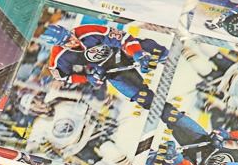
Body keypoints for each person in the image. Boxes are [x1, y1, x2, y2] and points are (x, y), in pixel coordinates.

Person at [40, 22, 168, 108]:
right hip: (109, 70)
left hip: (120, 52)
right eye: (67, 42)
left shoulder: (87, 30)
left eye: (70, 36)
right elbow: (64, 77)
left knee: (148, 47)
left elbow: (125, 39)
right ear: (59, 45)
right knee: (142, 98)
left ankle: (166, 57)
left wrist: (137, 53)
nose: (73, 41)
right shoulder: (58, 57)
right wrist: (87, 78)